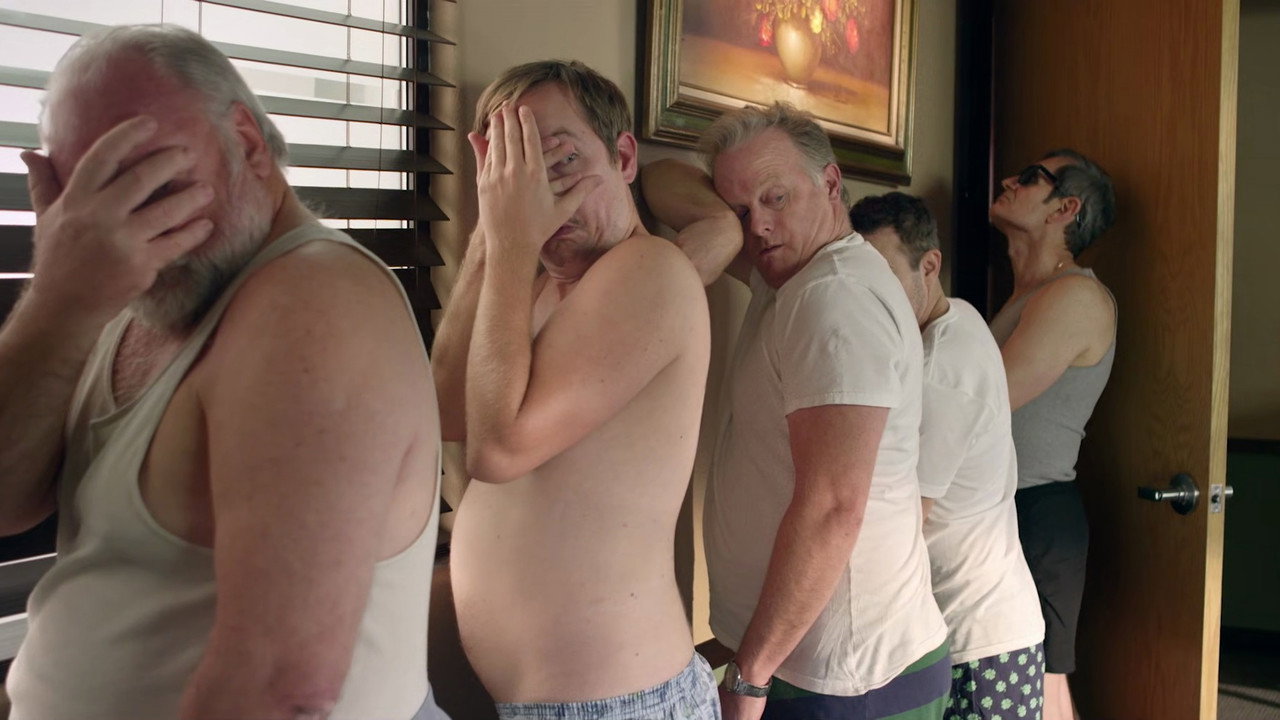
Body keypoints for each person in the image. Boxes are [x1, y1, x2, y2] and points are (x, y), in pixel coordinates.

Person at [0, 25, 446, 720]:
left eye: (147, 178)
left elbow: (278, 689)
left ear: (246, 141)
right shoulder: (118, 284)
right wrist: (60, 297)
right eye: (83, 195)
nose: (121, 222)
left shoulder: (313, 300)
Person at [642, 103, 948, 720]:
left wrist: (748, 678)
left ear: (831, 184)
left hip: (846, 679)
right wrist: (719, 222)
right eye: (740, 210)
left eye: (775, 198)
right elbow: (657, 179)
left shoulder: (834, 299)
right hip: (812, 662)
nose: (758, 225)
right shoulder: (791, 275)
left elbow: (833, 508)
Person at [431, 60, 717, 719]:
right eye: (518, 171)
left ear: (623, 157)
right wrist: (492, 232)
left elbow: (497, 449)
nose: (544, 193)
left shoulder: (650, 270)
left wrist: (511, 242)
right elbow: (447, 410)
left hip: (621, 705)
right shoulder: (536, 290)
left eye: (561, 161)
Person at [852, 192, 1047, 720]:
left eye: (885, 275)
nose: (871, 297)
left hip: (978, 640)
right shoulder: (957, 316)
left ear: (930, 265)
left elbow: (904, 519)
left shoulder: (943, 367)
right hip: (980, 624)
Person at [988, 150, 1117, 720]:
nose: (1007, 181)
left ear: (1065, 209)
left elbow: (985, 402)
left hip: (1036, 513)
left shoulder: (1075, 296)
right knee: (1016, 683)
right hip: (1004, 508)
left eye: (1029, 178)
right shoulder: (1027, 295)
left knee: (1041, 685)